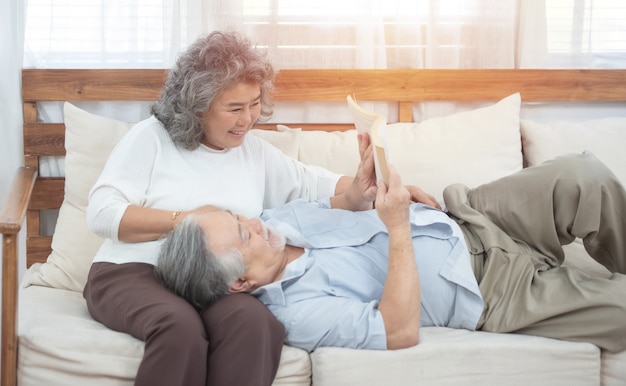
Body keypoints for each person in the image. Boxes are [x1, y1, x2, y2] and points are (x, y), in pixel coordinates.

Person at [83, 31, 436, 386]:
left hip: (212, 282)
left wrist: (381, 186)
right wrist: (191, 220)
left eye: (254, 104)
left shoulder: (252, 151)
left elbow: (316, 184)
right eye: (234, 108)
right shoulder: (152, 138)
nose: (247, 119)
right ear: (197, 106)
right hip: (135, 270)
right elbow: (102, 212)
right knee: (180, 328)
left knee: (256, 324)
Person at [156, 150, 626, 354]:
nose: (255, 223)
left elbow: (340, 204)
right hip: (492, 289)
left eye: (239, 217)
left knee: (583, 173)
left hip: (471, 216)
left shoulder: (280, 222)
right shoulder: (296, 315)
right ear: (241, 282)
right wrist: (397, 225)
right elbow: (397, 331)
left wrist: (364, 187)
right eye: (244, 235)